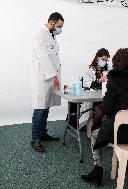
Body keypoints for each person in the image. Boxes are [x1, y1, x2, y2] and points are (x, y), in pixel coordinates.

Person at [81, 48, 128, 185]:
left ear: (116, 62)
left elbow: (106, 108)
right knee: (124, 128)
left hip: (119, 132)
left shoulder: (114, 79)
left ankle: (98, 169)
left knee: (94, 134)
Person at [31, 12, 64, 152]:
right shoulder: (39, 34)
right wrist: (53, 76)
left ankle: (43, 133)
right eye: (59, 26)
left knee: (46, 106)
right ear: (51, 23)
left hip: (51, 77)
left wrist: (55, 75)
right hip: (43, 78)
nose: (60, 29)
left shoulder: (51, 35)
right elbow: (43, 57)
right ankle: (35, 139)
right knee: (40, 107)